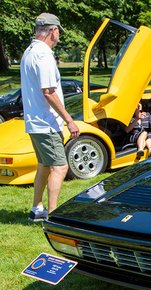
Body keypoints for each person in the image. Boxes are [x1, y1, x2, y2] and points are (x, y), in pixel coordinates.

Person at [20, 13, 80, 222]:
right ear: (53, 31)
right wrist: (69, 119)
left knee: (44, 165)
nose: (59, 37)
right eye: (58, 33)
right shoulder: (44, 55)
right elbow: (48, 91)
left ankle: (37, 210)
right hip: (46, 122)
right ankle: (53, 216)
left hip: (34, 121)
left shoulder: (28, 52)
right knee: (60, 166)